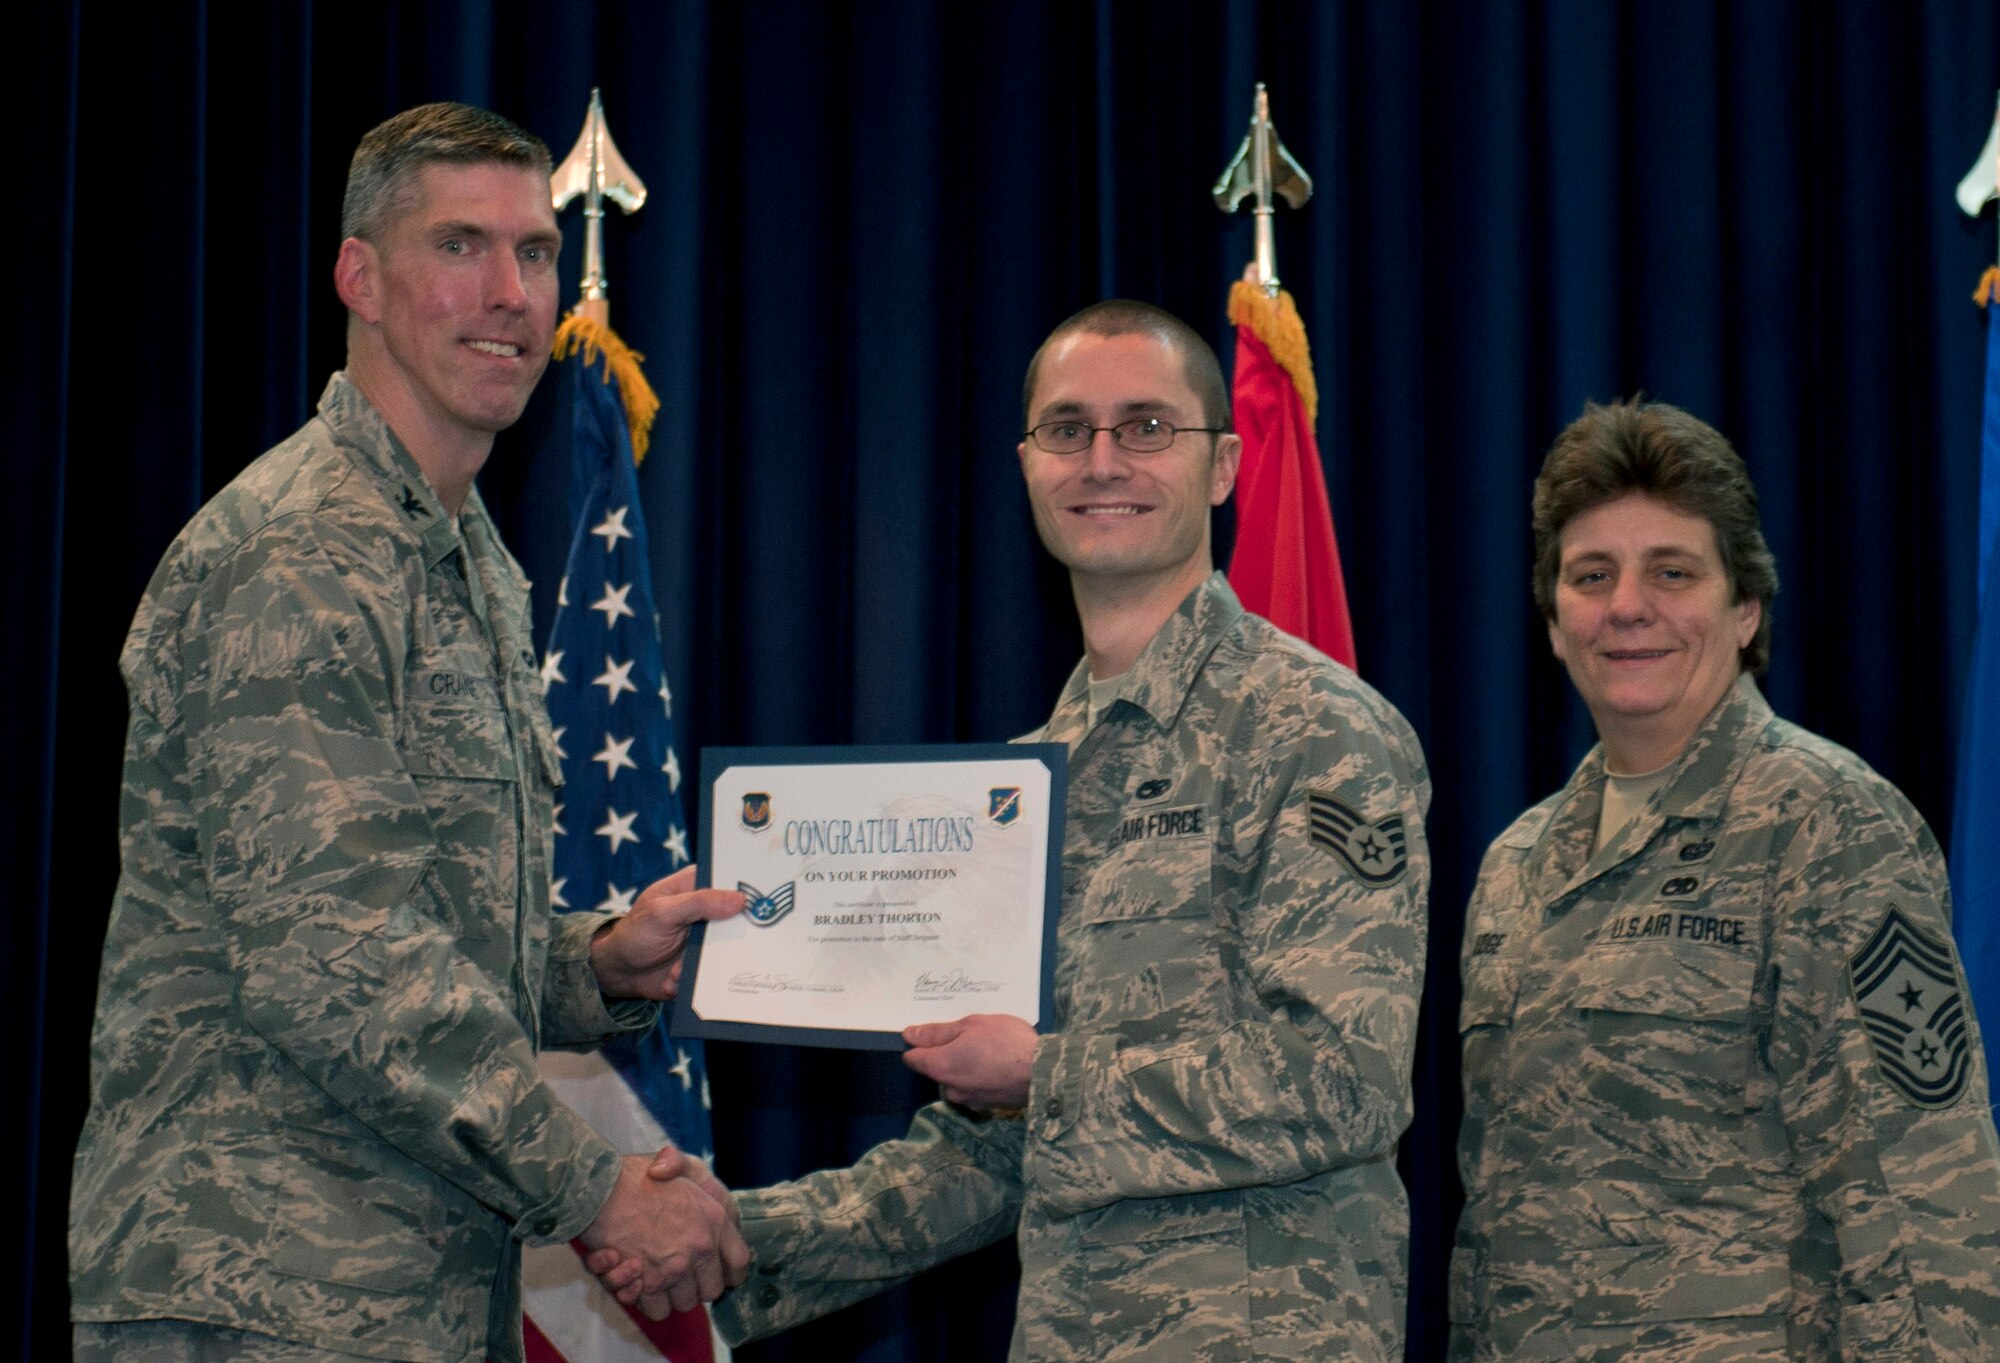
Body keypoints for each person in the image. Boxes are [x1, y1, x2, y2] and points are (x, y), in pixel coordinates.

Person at [596, 300, 1432, 1360]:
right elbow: (983, 1158)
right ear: (1026, 462)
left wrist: (1047, 1074)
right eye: (1065, 428)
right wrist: (728, 1242)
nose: (1100, 460)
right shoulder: (1018, 786)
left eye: (1144, 427)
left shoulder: (1318, 730)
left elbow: (1340, 1084)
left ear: (1220, 467)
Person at [68, 102, 747, 1363]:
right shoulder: (301, 551)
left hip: (402, 1293)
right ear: (359, 278)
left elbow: (423, 920)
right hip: (256, 1285)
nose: (509, 293)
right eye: (459, 246)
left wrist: (595, 962)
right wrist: (595, 1187)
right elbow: (336, 954)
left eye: (535, 253)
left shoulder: (461, 557)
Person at [1450, 398, 2000, 1361]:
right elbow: (1492, 1225)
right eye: (1591, 575)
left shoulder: (1828, 824)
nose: (1627, 606)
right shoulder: (1516, 867)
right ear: (1551, 620)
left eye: (1673, 571)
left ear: (1744, 609)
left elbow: (1924, 1195)